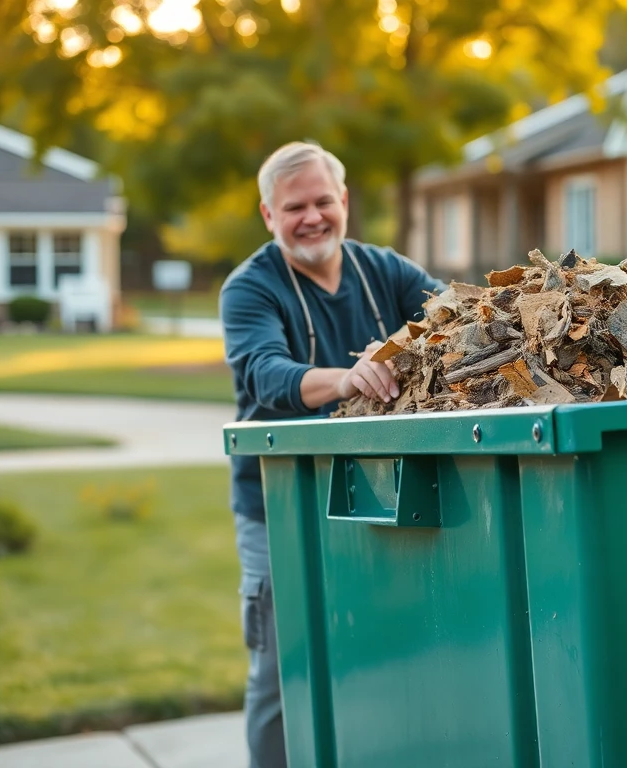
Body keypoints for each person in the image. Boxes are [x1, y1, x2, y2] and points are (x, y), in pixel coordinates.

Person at [219, 141, 447, 768]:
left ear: (344, 202)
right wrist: (346, 378)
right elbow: (266, 375)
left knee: (379, 648)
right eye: (295, 207)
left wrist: (399, 346)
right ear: (269, 215)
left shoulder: (385, 270)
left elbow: (452, 317)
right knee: (280, 671)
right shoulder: (249, 289)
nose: (312, 217)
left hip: (375, 496)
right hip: (279, 507)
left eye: (324, 201)